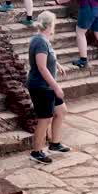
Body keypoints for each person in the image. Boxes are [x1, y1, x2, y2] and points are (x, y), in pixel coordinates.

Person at [28, 11, 71, 164]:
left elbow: (47, 57)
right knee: (45, 118)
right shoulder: (40, 41)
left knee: (61, 111)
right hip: (41, 86)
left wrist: (58, 65)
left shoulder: (44, 39)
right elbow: (41, 67)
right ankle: (36, 151)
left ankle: (55, 143)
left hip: (47, 85)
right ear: (50, 25)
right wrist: (56, 87)